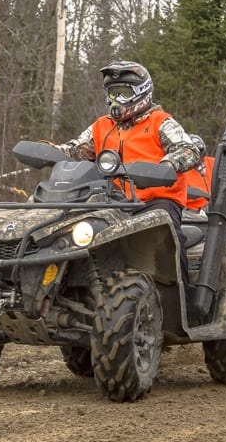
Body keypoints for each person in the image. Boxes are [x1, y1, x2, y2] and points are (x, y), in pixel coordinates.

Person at [55, 60, 199, 282]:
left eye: (123, 93)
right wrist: (50, 151)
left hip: (155, 200)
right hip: (112, 200)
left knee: (167, 243)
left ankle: (183, 304)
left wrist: (167, 166)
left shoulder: (161, 122)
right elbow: (75, 150)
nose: (116, 101)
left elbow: (188, 149)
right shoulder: (102, 125)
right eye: (112, 93)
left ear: (141, 93)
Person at [181, 134, 215, 212]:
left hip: (216, 212)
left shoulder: (215, 163)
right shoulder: (181, 170)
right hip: (192, 213)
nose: (198, 159)